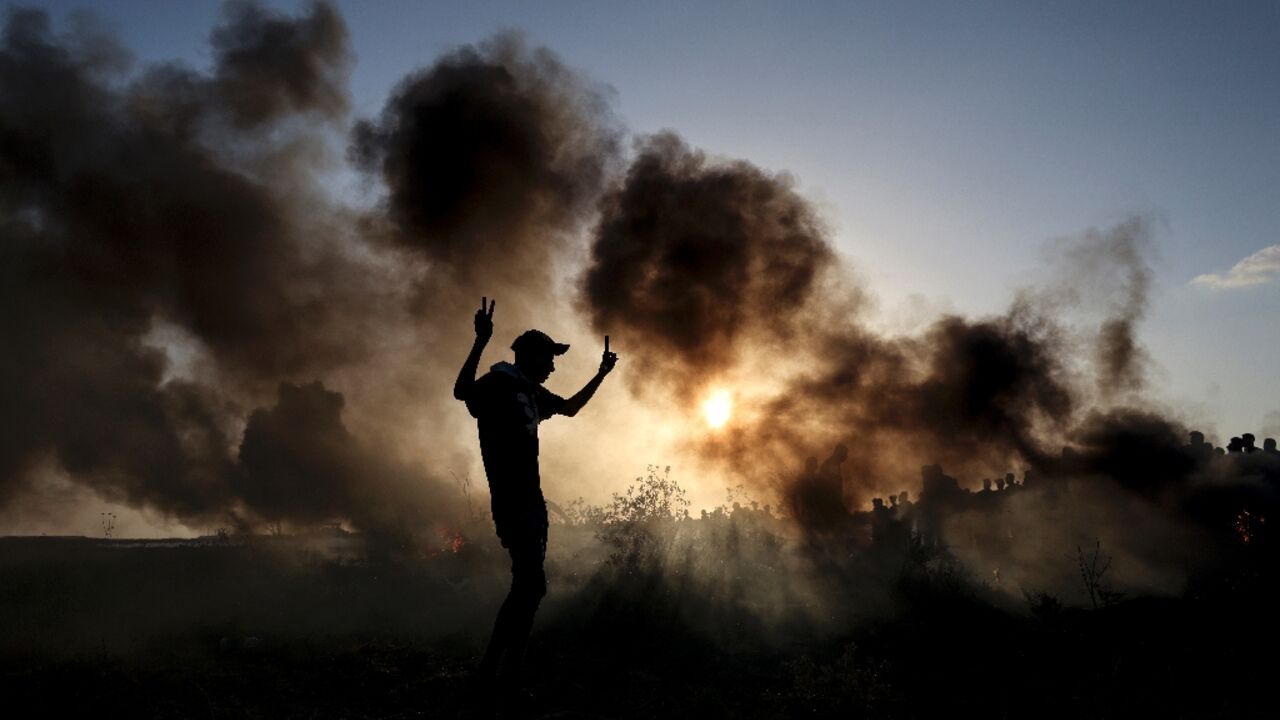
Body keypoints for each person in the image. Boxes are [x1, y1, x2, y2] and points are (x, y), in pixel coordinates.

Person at [454, 297, 618, 702]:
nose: (553, 365)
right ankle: (494, 672)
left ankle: (502, 673)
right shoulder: (498, 385)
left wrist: (601, 374)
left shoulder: (531, 391)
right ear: (529, 356)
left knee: (531, 587)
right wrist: (480, 341)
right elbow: (462, 393)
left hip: (532, 501)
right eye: (549, 357)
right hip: (512, 501)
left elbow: (572, 409)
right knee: (531, 584)